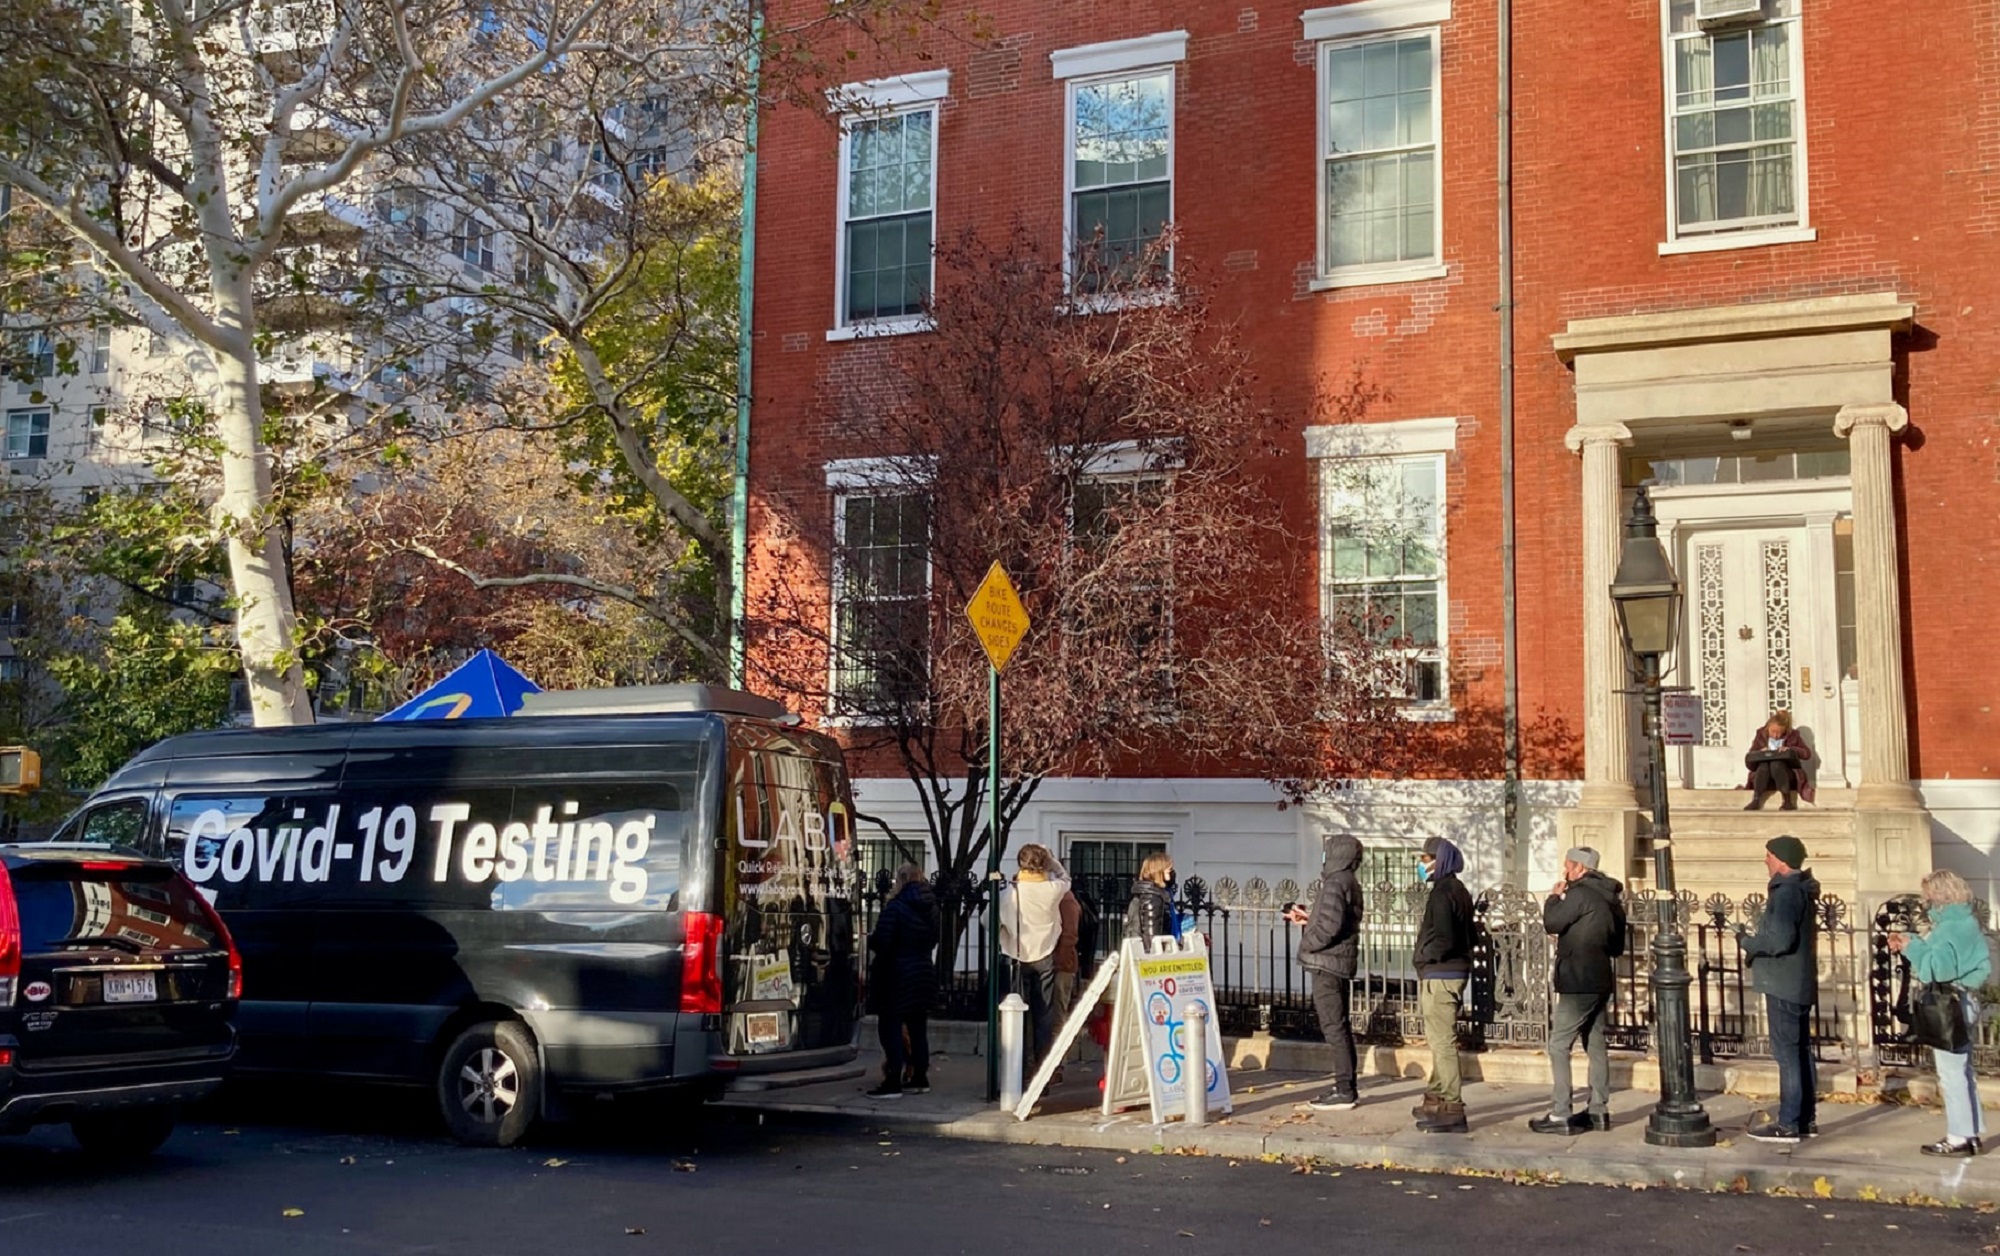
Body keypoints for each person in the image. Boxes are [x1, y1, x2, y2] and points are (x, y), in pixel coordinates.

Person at [1887, 869, 1993, 1157]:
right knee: (1963, 1070)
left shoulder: (1948, 929)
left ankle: (1959, 1136)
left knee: (1951, 1073)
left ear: (1940, 897)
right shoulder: (1968, 922)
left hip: (1949, 1002)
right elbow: (1981, 964)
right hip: (1966, 999)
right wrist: (1915, 943)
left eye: (1928, 898)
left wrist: (1912, 948)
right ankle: (1970, 1132)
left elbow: (1939, 969)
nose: (1926, 904)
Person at [1531, 846, 1626, 1135]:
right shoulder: (1612, 900)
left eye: (1569, 866)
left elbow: (1552, 923)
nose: (1565, 872)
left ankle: (1561, 1113)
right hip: (1600, 980)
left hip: (1577, 981)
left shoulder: (1578, 894)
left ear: (1581, 869)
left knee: (1558, 1044)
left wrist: (1552, 898)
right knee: (1595, 1045)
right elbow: (1616, 946)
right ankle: (1599, 1110)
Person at [1737, 835, 1821, 1142]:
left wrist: (1748, 942)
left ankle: (1787, 1123)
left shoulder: (1786, 892)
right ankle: (1805, 1119)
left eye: (1769, 855)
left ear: (1782, 861)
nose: (1766, 860)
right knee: (1800, 1051)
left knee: (1787, 1054)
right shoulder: (1800, 889)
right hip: (1797, 981)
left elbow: (1780, 940)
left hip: (1784, 982)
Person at [1286, 832, 1365, 1112]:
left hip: (1327, 965)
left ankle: (1345, 1090)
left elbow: (1329, 928)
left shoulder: (1334, 883)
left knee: (1334, 1028)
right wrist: (1309, 919)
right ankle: (1345, 1086)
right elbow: (1336, 921)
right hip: (1337, 962)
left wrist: (1307, 940)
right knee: (1340, 1026)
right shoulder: (1348, 882)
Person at [1412, 836, 1475, 1134]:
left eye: (1426, 860)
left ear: (1441, 861)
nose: (1422, 865)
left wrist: (1424, 956)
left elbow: (1445, 938)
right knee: (1439, 1038)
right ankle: (1436, 1092)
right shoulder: (1459, 890)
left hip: (1441, 974)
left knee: (1442, 1041)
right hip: (1452, 972)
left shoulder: (1442, 893)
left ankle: (1452, 1104)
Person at [866, 864, 940, 1099]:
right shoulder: (931, 907)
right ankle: (920, 1076)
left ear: (901, 880)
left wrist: (871, 941)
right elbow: (933, 939)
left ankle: (893, 1080)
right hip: (923, 971)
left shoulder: (895, 907)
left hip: (895, 975)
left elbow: (882, 941)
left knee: (890, 1026)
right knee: (918, 1028)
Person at [999, 843, 1071, 1077]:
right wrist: (1052, 860)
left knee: (1017, 1016)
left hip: (1017, 956)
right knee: (1044, 1017)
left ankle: (1017, 1071)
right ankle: (1042, 1072)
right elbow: (1065, 878)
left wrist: (1006, 935)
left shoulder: (1010, 893)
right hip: (1045, 955)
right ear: (1043, 864)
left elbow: (987, 922)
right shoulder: (1052, 889)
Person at [1743, 711, 1814, 812]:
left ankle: (1787, 800)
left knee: (1776, 764)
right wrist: (1760, 752)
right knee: (1764, 765)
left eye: (1779, 733)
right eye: (1773, 731)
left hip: (1785, 774)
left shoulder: (1793, 735)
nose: (1776, 735)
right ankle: (1756, 799)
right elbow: (1750, 758)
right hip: (1764, 775)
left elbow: (1806, 754)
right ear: (1768, 727)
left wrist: (1791, 749)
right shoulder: (1761, 734)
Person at [1122, 851, 1177, 946]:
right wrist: (1155, 955)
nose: (1171, 870)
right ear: (1158, 869)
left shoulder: (1145, 893)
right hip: (1149, 953)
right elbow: (1151, 934)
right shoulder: (1152, 897)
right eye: (1168, 867)